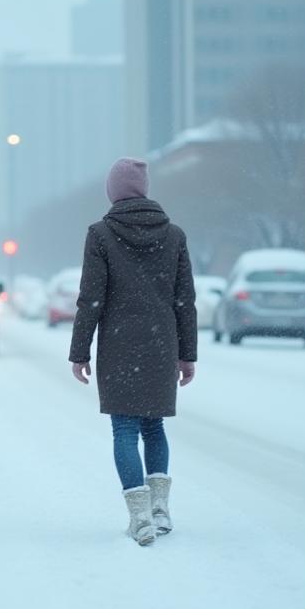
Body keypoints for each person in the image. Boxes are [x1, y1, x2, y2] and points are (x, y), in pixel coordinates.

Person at [69, 157, 197, 547]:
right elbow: (184, 300)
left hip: (119, 344)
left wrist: (80, 352)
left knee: (124, 428)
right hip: (162, 343)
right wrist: (187, 353)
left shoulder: (101, 234)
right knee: (154, 426)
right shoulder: (174, 235)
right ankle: (160, 510)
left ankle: (139, 517)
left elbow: (91, 298)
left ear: (113, 191)